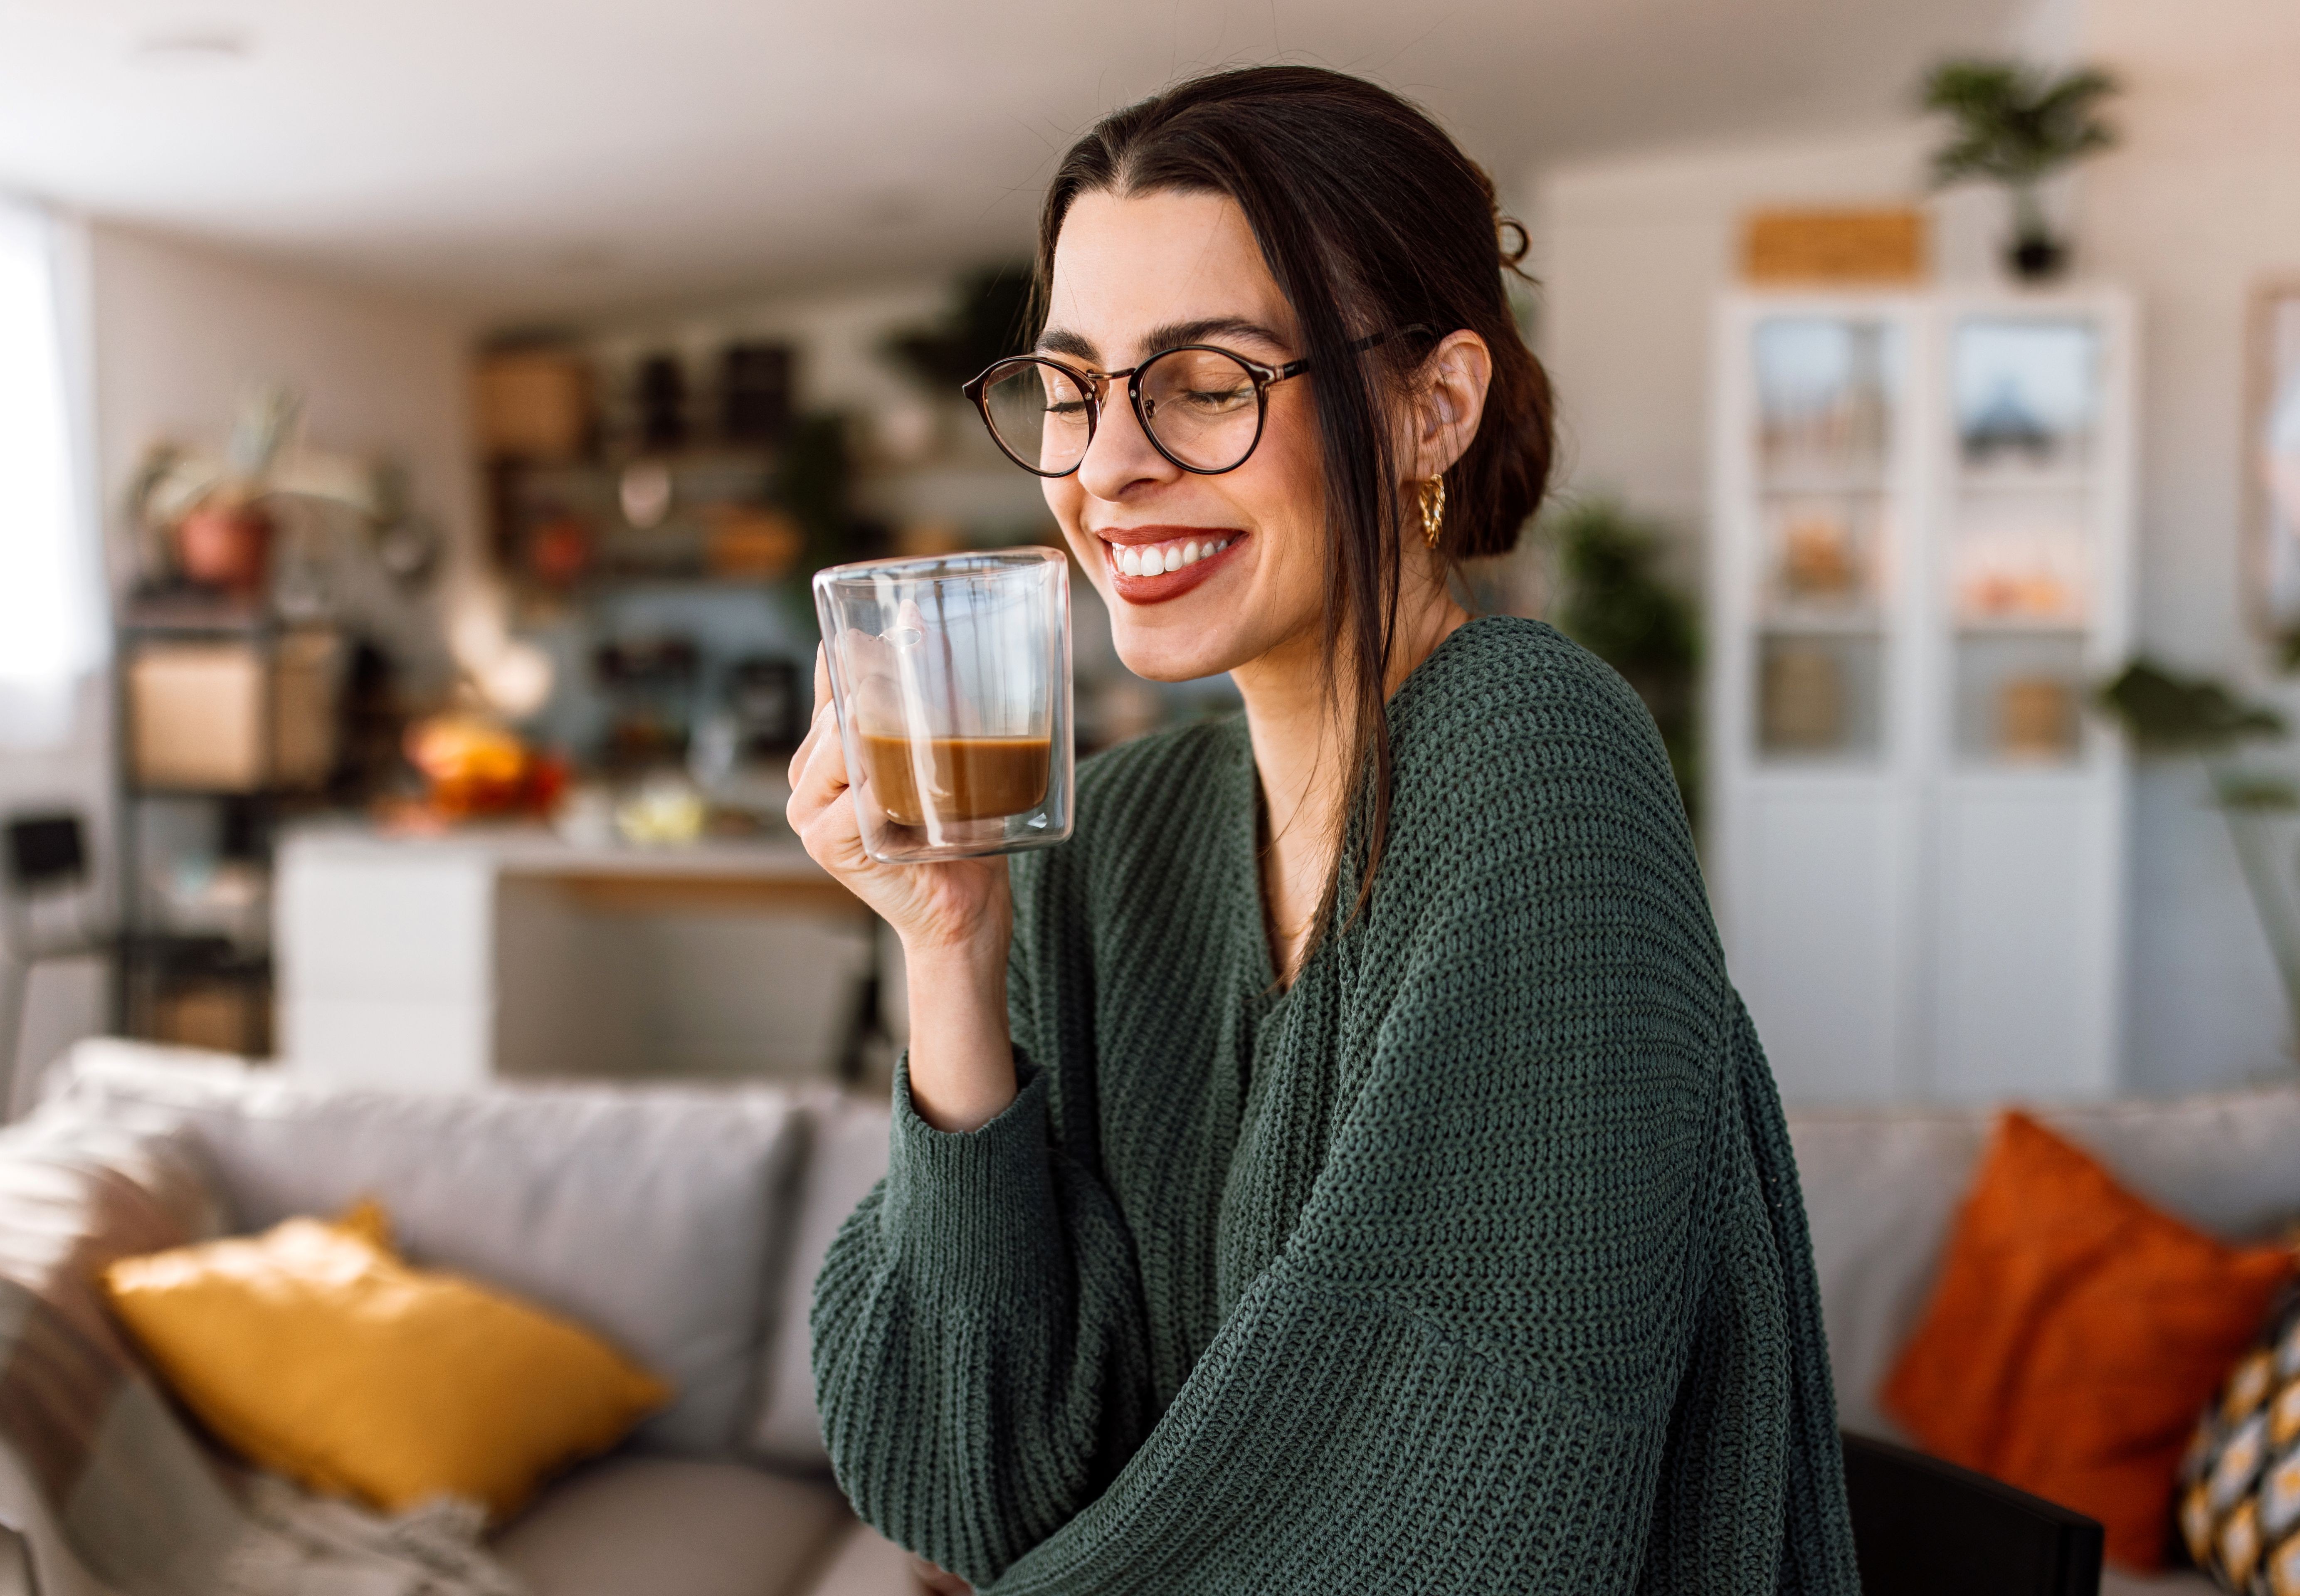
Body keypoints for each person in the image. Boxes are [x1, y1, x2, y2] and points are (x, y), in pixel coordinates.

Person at [785, 65, 1857, 1595]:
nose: (1105, 468)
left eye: (1207, 383)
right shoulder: (1121, 829)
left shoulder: (1534, 755)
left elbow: (1463, 1515)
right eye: (1072, 389)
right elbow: (968, 1481)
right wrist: (949, 945)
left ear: (1433, 408)